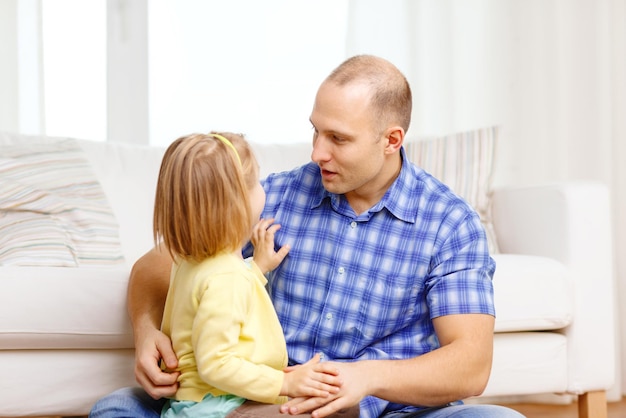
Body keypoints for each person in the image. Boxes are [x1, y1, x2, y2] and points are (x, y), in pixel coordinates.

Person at [90, 55, 524, 418]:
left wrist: (366, 377)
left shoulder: (449, 223)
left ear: (391, 140)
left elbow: (470, 364)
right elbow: (155, 267)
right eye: (316, 130)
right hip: (261, 402)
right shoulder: (272, 196)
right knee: (117, 409)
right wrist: (147, 331)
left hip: (385, 410)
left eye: (338, 138)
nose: (318, 151)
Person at [149, 132, 344, 418]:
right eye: (257, 183)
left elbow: (211, 296)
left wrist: (257, 268)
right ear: (239, 202)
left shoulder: (189, 261)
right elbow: (216, 364)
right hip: (221, 405)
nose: (264, 190)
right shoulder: (227, 278)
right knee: (338, 409)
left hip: (193, 402)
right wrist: (285, 382)